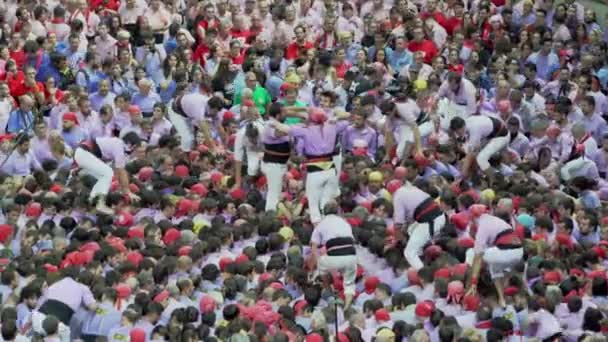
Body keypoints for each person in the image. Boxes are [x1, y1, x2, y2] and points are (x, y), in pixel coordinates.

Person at [271, 108, 347, 223]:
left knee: (314, 205)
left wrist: (272, 120)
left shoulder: (306, 129)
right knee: (325, 203)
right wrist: (336, 117)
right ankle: (328, 224)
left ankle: (319, 229)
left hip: (315, 171)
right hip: (331, 170)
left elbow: (283, 128)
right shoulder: (332, 126)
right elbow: (348, 117)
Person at [392, 160, 446, 270]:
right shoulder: (411, 188)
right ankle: (421, 257)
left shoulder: (398, 195)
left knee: (409, 252)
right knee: (411, 231)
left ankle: (424, 275)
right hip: (435, 218)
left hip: (431, 221)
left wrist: (398, 241)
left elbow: (398, 224)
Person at [466, 204, 523, 308]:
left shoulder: (482, 227)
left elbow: (478, 257)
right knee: (496, 268)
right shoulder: (496, 220)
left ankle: (501, 298)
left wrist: (474, 282)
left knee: (477, 256)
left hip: (506, 252)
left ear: (473, 217)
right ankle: (505, 298)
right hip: (518, 252)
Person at [73, 132, 141, 214]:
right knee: (107, 174)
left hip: (86, 153)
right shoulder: (119, 147)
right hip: (85, 152)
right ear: (131, 144)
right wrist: (127, 191)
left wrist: (122, 187)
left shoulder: (119, 145)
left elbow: (118, 172)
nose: (137, 150)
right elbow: (121, 171)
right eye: (136, 147)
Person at [309, 201, 357, 308]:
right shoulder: (345, 223)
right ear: (338, 211)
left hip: (334, 256)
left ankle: (329, 292)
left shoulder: (321, 224)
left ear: (323, 212)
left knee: (322, 267)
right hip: (351, 255)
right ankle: (347, 305)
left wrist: (318, 266)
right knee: (349, 283)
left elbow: (314, 248)